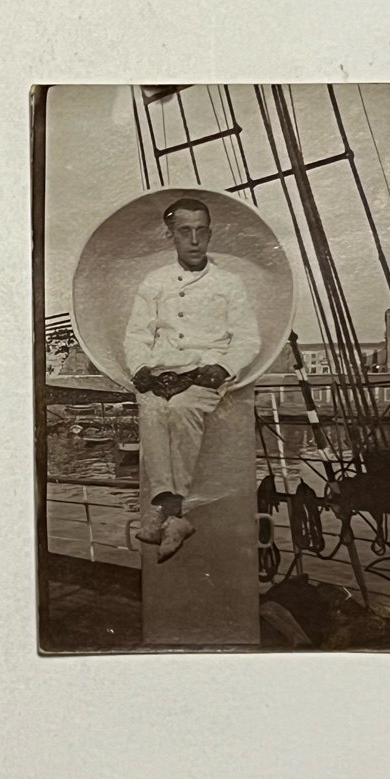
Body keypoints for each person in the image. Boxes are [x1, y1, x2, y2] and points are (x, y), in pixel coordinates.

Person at [124, 197, 260, 561]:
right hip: (163, 370)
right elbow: (137, 334)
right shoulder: (154, 281)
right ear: (171, 236)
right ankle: (174, 518)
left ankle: (170, 513)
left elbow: (247, 338)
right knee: (152, 408)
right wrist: (139, 367)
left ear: (210, 233)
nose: (195, 239)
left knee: (182, 409)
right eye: (185, 231)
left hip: (206, 369)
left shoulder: (229, 283)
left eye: (201, 231)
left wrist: (223, 368)